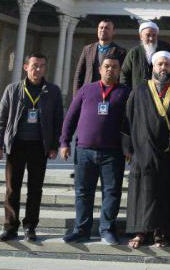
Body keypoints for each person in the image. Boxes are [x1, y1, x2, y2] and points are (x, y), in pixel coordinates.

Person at [59, 55, 131, 245]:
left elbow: (131, 123)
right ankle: (81, 230)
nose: (110, 69)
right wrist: (64, 142)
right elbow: (71, 117)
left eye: (114, 67)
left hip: (113, 152)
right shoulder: (86, 89)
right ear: (100, 69)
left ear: (119, 70)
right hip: (85, 151)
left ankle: (107, 230)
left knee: (112, 192)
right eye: (107, 66)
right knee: (83, 192)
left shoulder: (125, 92)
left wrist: (129, 148)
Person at [0, 53, 63, 242]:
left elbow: (58, 121)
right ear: (26, 67)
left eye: (42, 65)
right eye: (34, 65)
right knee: (12, 188)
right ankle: (10, 227)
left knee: (35, 189)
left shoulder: (52, 91)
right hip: (16, 145)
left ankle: (30, 226)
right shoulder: (13, 89)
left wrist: (54, 145)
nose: (38, 69)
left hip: (39, 146)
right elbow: (1, 119)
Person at [123, 51, 170, 249]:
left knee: (165, 192)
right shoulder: (140, 90)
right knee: (143, 192)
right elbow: (128, 119)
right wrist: (128, 148)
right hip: (143, 152)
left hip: (168, 153)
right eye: (160, 64)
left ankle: (161, 233)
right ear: (153, 66)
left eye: (167, 64)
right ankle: (140, 232)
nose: (163, 68)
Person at [72, 18, 127, 95]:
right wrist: (76, 96)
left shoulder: (120, 52)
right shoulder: (87, 49)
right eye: (101, 27)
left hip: (109, 93)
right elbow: (79, 75)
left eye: (107, 28)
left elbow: (122, 76)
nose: (103, 30)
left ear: (113, 32)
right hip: (89, 93)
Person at [120, 21, 170, 91]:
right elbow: (124, 75)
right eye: (148, 35)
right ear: (141, 36)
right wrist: (128, 93)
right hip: (138, 94)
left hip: (161, 94)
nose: (151, 38)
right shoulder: (134, 53)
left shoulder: (165, 51)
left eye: (154, 35)